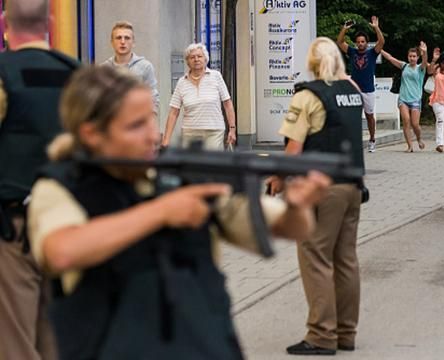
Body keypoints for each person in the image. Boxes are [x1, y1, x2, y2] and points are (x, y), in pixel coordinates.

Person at [27, 65, 330, 359]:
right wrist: (162, 212)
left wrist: (297, 204)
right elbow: (62, 251)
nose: (152, 135)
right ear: (91, 133)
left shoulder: (183, 177)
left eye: (151, 119)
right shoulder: (61, 187)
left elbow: (289, 227)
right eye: (135, 125)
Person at [267, 37, 366, 355]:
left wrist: (278, 178)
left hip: (321, 189)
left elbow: (293, 149)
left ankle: (321, 335)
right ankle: (346, 333)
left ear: (311, 62)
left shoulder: (308, 96)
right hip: (353, 186)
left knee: (315, 257)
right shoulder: (352, 92)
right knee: (346, 259)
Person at [0, 1, 79, 359]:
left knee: (14, 341)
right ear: (50, 22)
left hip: (12, 229)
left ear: (4, 23)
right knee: (59, 336)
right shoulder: (78, 75)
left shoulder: (3, 74)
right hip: (70, 225)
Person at [162, 43, 236, 150]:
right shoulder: (182, 82)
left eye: (199, 56)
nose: (196, 59)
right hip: (190, 133)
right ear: (187, 62)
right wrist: (166, 140)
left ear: (205, 59)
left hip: (214, 132)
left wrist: (232, 129)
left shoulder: (216, 76)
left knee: (211, 165)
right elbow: (173, 112)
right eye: (192, 57)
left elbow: (227, 104)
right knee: (192, 165)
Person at [337, 16, 384, 152]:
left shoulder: (372, 53)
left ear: (366, 42)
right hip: (355, 89)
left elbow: (381, 41)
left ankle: (372, 139)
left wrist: (376, 28)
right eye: (358, 42)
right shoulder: (352, 52)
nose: (360, 44)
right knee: (352, 116)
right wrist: (344, 29)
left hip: (369, 90)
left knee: (369, 116)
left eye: (363, 41)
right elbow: (340, 42)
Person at [102, 21, 160, 118]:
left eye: (127, 38)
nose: (123, 42)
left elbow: (153, 97)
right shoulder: (104, 69)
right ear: (112, 42)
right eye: (118, 38)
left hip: (137, 123)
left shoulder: (145, 67)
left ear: (133, 43)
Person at [381, 42, 428, 152]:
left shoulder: (420, 68)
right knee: (406, 121)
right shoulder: (404, 66)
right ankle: (409, 146)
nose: (412, 58)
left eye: (414, 56)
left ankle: (419, 138)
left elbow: (425, 61)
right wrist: (380, 50)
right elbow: (391, 58)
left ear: (417, 57)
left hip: (416, 99)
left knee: (415, 124)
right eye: (410, 56)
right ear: (408, 57)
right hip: (403, 99)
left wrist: (424, 51)